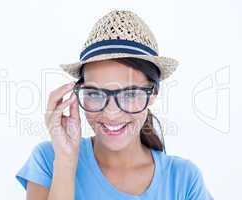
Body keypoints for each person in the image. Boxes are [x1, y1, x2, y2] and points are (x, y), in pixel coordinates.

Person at [15, 10, 214, 200]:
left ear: (153, 93)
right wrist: (66, 161)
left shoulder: (184, 180)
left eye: (129, 94)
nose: (111, 113)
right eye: (95, 93)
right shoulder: (50, 159)